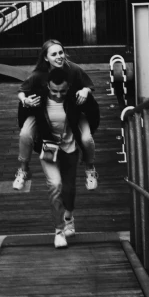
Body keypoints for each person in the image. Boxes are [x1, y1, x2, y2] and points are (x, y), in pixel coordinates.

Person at [28, 66, 100, 248]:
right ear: (47, 86)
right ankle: (59, 231)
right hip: (49, 149)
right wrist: (25, 101)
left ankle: (69, 216)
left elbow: (94, 114)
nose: (58, 95)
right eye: (54, 91)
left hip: (69, 147)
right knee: (55, 185)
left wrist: (87, 93)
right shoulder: (39, 97)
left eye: (63, 91)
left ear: (69, 88)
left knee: (69, 188)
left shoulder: (75, 97)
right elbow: (24, 117)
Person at [13, 40, 99, 191]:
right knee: (25, 134)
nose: (59, 56)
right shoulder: (38, 74)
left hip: (71, 110)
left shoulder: (73, 69)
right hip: (42, 111)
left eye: (61, 52)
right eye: (54, 54)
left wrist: (85, 90)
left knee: (86, 138)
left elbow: (89, 85)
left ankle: (90, 169)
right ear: (46, 58)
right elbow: (21, 91)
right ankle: (23, 170)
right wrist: (25, 100)